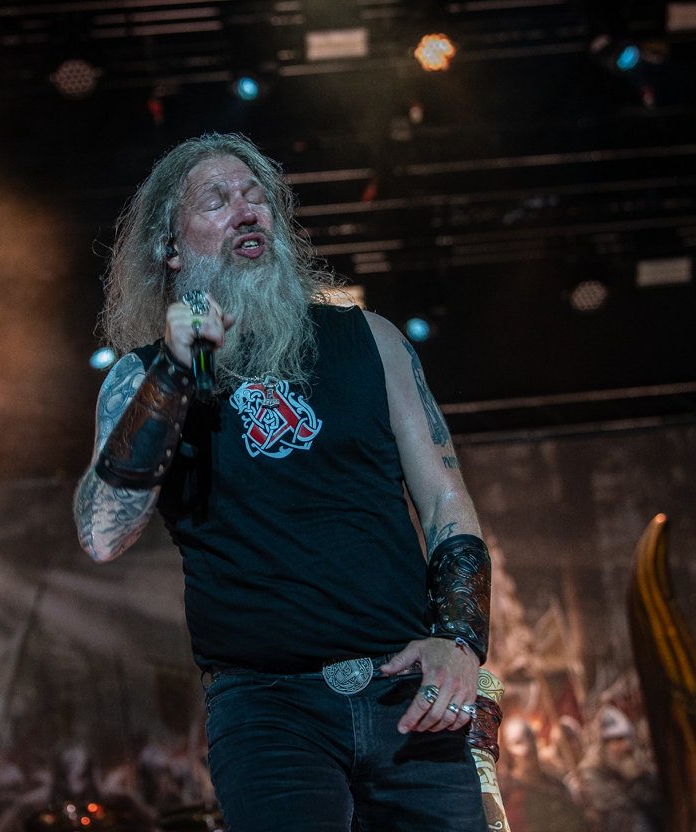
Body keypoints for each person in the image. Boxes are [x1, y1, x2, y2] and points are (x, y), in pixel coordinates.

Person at [73, 132, 491, 832]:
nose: (246, 211)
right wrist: (175, 371)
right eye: (216, 200)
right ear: (170, 248)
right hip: (269, 711)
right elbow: (101, 533)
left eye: (256, 196)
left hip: (406, 691)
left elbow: (446, 497)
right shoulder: (142, 379)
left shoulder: (372, 340)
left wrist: (462, 637)